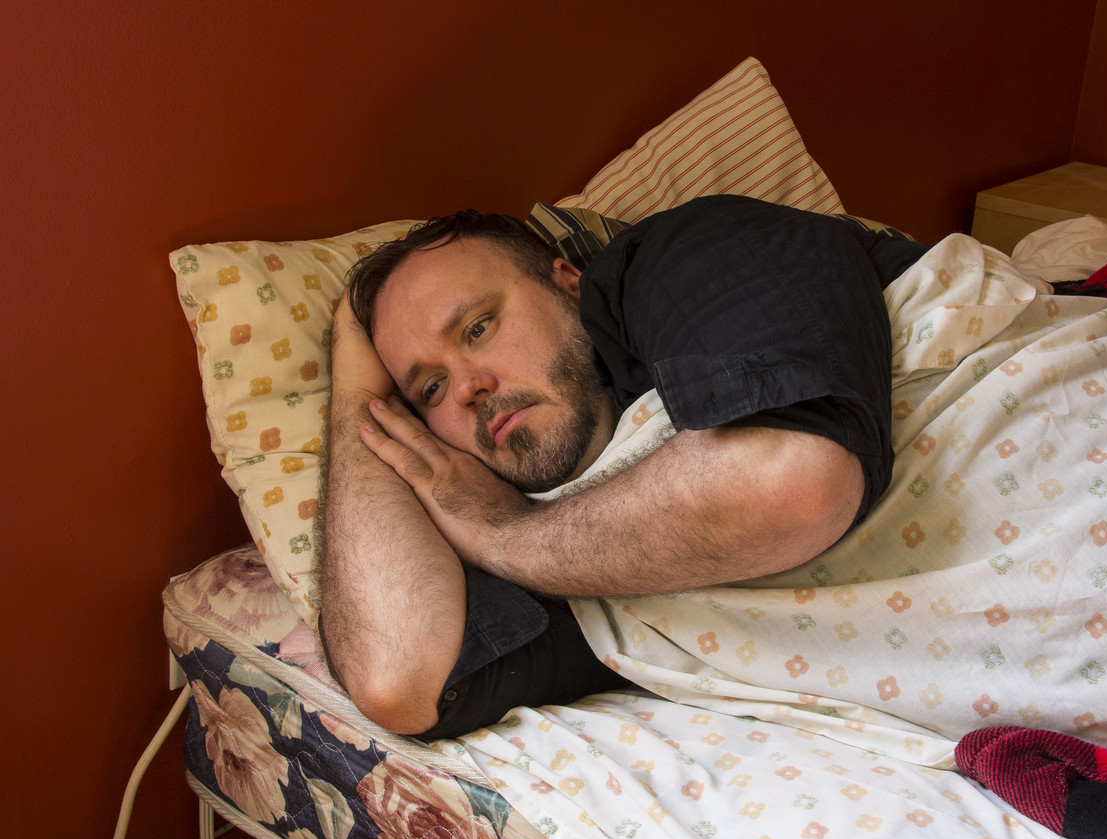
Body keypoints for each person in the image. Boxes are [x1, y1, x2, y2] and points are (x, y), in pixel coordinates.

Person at [318, 195, 929, 737]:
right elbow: (396, 679)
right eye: (429, 390)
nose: (468, 388)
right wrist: (353, 401)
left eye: (478, 327)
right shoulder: (558, 547)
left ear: (569, 282)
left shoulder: (688, 253)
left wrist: (498, 535)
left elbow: (791, 483)